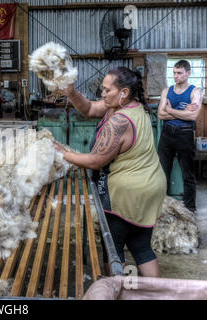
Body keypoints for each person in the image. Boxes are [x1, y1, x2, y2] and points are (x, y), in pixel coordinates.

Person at [53, 67, 166, 277]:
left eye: (107, 90)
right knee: (141, 246)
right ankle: (157, 293)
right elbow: (89, 109)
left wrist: (61, 153)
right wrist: (71, 93)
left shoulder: (120, 122)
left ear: (123, 92)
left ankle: (119, 290)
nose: (102, 94)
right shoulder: (130, 107)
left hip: (128, 193)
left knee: (113, 251)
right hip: (150, 185)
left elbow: (96, 161)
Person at [157, 60, 202, 214]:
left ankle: (190, 208)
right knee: (163, 173)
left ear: (188, 73)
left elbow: (193, 116)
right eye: (174, 72)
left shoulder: (195, 92)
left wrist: (170, 109)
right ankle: (163, 205)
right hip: (167, 134)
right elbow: (160, 114)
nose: (175, 76)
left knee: (187, 174)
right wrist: (182, 113)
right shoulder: (166, 91)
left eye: (179, 73)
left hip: (185, 134)